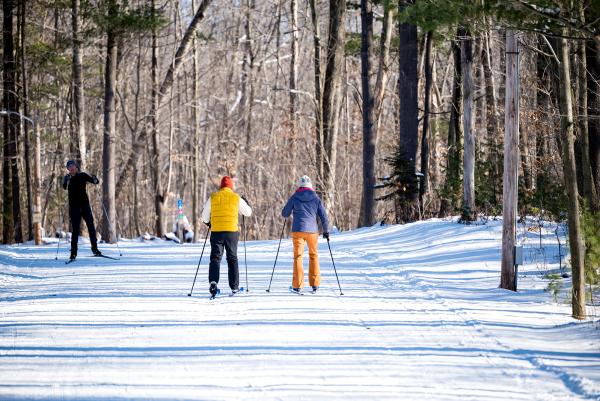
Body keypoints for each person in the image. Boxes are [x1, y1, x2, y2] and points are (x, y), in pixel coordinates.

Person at [201, 176, 252, 296]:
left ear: (221, 186)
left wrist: (209, 223)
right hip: (231, 232)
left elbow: (204, 217)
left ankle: (213, 282)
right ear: (231, 187)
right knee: (232, 258)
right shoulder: (236, 197)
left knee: (215, 258)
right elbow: (248, 213)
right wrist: (246, 203)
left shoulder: (213, 197)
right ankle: (234, 287)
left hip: (217, 232)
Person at [282, 175, 329, 293]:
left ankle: (297, 285)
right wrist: (326, 230)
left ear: (300, 186)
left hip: (298, 230)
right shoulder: (316, 198)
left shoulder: (294, 197)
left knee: (298, 257)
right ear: (310, 186)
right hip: (312, 231)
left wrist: (290, 210)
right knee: (314, 255)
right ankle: (315, 284)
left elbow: (285, 213)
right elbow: (323, 216)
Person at [62, 160, 101, 260]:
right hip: (74, 207)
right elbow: (64, 187)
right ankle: (73, 253)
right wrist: (66, 180)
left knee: (91, 227)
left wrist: (95, 179)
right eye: (69, 167)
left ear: (76, 167)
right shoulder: (68, 178)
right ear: (68, 169)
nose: (71, 168)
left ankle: (95, 248)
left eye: (72, 166)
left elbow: (95, 181)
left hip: (85, 205)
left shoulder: (82, 175)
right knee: (75, 230)